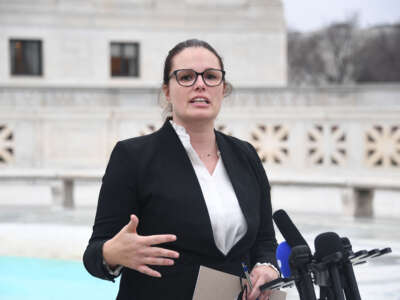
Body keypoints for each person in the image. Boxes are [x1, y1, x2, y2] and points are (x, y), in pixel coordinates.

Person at [83, 39, 280, 300]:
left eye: (211, 76)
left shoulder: (246, 155)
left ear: (223, 88)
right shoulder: (132, 156)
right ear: (167, 90)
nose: (200, 84)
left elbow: (265, 240)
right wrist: (111, 254)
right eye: (186, 76)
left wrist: (267, 267)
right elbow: (94, 255)